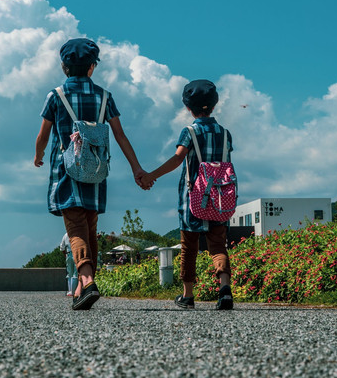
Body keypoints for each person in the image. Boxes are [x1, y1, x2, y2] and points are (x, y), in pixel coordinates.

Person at [34, 38, 151, 311]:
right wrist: (137, 168)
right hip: (96, 170)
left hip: (66, 170)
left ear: (64, 66)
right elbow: (120, 135)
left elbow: (43, 134)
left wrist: (38, 155)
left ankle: (86, 281)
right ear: (92, 67)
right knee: (90, 226)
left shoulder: (55, 95)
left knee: (75, 227)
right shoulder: (104, 96)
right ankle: (81, 291)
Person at [142, 79, 234, 311]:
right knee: (218, 245)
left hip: (192, 198)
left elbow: (177, 158)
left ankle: (188, 295)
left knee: (189, 246)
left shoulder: (190, 132)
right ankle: (224, 289)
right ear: (214, 105)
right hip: (221, 199)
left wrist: (152, 175)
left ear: (188, 107)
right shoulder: (225, 133)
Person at [59, 232, 77, 297]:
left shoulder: (65, 235)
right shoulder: (77, 233)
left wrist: (65, 255)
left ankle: (69, 291)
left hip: (68, 254)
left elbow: (62, 248)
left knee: (69, 274)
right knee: (75, 273)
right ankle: (74, 291)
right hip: (75, 253)